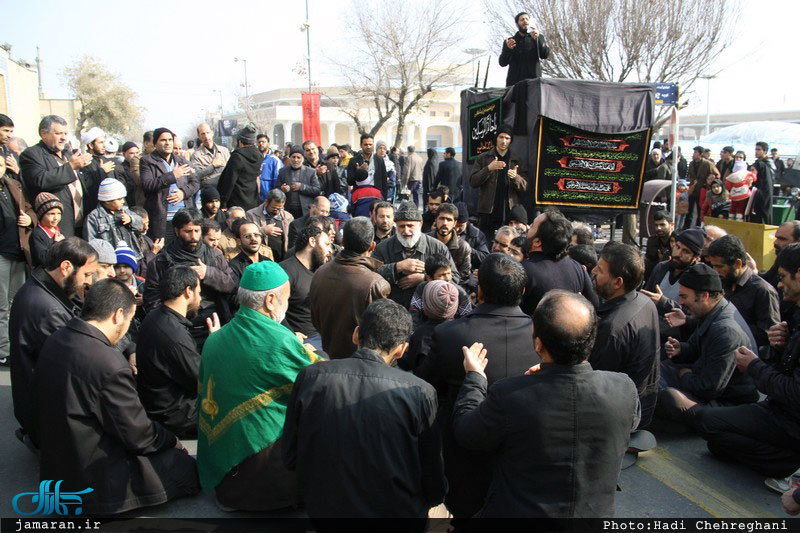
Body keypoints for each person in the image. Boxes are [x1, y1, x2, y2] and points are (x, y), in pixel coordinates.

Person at [452, 290, 639, 517]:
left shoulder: (510, 395)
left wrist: (475, 378)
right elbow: (631, 422)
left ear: (539, 345)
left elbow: (467, 431)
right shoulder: (624, 388)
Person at [34, 278, 200, 514]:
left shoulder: (56, 339)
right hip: (93, 476)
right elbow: (139, 435)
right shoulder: (108, 362)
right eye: (129, 320)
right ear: (118, 315)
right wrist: (170, 439)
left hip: (58, 464)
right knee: (186, 469)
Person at [283, 299, 445, 523]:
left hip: (324, 510)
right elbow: (433, 479)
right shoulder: (420, 392)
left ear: (356, 334)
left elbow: (291, 456)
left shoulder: (311, 376)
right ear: (401, 350)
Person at [417, 253, 539, 520]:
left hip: (463, 457)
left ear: (479, 291)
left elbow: (425, 387)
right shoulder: (541, 335)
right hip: (522, 461)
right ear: (522, 291)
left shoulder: (450, 334)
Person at [197, 261, 322, 511]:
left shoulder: (214, 339)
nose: (287, 305)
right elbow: (319, 379)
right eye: (287, 298)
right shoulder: (279, 340)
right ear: (271, 300)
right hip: (264, 476)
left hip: (223, 475)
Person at [698, 243, 800, 492]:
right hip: (777, 409)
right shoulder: (794, 315)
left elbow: (794, 392)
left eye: (783, 277)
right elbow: (786, 366)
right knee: (716, 441)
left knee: (711, 425)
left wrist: (754, 366)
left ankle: (789, 466)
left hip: (790, 420)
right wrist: (782, 346)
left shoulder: (763, 292)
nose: (780, 284)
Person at [10, 237, 97, 447]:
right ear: (66, 267)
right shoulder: (49, 310)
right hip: (47, 419)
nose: (89, 282)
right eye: (87, 274)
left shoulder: (41, 284)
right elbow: (78, 364)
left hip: (34, 405)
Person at [659, 263, 759, 426]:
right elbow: (696, 348)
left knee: (669, 397)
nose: (680, 302)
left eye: (684, 297)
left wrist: (685, 375)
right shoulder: (711, 312)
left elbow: (709, 388)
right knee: (653, 370)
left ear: (705, 295)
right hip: (700, 379)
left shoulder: (726, 331)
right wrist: (681, 349)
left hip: (726, 402)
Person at [590, 242, 660, 429]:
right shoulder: (645, 302)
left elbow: (596, 385)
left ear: (617, 282)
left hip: (625, 416)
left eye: (600, 270)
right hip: (643, 404)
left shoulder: (612, 329)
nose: (593, 271)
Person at [143, 208, 235, 349]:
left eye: (197, 231)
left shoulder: (214, 256)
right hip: (177, 328)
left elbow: (232, 285)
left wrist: (209, 273)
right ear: (176, 231)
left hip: (212, 322)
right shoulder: (161, 261)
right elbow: (152, 300)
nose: (193, 236)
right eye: (188, 231)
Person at [136, 266, 211, 438]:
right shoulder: (174, 335)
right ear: (188, 292)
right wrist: (215, 343)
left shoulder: (155, 316)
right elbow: (203, 380)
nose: (200, 298)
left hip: (161, 408)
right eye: (199, 292)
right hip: (178, 417)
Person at [310, 217, 390, 359]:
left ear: (342, 242)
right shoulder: (375, 284)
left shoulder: (320, 272)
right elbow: (380, 334)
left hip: (328, 353)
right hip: (360, 362)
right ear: (372, 246)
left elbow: (315, 319)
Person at [373, 201, 458, 309]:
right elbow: (371, 276)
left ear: (420, 224)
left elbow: (454, 279)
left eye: (410, 226)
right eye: (401, 226)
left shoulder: (438, 247)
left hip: (427, 311)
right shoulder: (383, 247)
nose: (406, 231)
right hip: (392, 309)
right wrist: (397, 267)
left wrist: (425, 279)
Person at [19, 115, 93, 237]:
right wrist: (70, 167)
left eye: (65, 133)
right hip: (59, 225)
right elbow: (40, 180)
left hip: (81, 223)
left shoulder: (68, 154)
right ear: (43, 134)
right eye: (58, 133)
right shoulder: (32, 154)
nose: (64, 138)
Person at [706, 235, 780, 350]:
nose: (715, 271)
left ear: (738, 264)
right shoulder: (723, 282)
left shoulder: (763, 291)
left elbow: (768, 334)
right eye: (713, 266)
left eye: (719, 266)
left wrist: (731, 327)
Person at [520, 210, 598, 315]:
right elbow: (594, 307)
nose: (529, 227)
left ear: (537, 242)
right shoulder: (577, 269)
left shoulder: (523, 271)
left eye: (532, 225)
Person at [139, 127, 199, 241]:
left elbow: (195, 183)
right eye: (163, 140)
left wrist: (183, 193)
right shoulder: (147, 161)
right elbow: (147, 185)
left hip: (185, 219)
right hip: (162, 219)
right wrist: (173, 175)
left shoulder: (181, 161)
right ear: (155, 143)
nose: (167, 143)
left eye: (170, 140)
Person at [469, 127, 527, 237]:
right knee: (486, 240)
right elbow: (473, 182)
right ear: (496, 138)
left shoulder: (516, 160)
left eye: (507, 138)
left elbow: (525, 186)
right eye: (501, 137)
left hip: (509, 211)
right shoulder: (483, 158)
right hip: (488, 211)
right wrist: (488, 169)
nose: (504, 141)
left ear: (511, 140)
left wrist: (516, 177)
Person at [280, 224, 331, 339]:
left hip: (322, 334)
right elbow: (275, 310)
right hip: (301, 339)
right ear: (312, 241)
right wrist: (291, 335)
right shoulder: (286, 271)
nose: (329, 251)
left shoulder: (321, 270)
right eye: (326, 244)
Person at [641, 227, 704, 317]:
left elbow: (693, 313)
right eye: (677, 247)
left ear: (696, 257)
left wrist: (664, 303)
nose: (678, 254)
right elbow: (646, 294)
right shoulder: (661, 267)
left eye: (686, 252)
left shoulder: (697, 278)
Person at [404, 278, 462, 374]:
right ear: (454, 307)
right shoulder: (461, 332)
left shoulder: (419, 335)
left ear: (426, 305)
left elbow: (409, 363)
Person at [84, 178, 144, 262]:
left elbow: (140, 224)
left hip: (131, 257)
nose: (123, 201)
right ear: (107, 201)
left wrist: (130, 219)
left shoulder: (125, 211)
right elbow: (90, 242)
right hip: (110, 260)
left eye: (123, 198)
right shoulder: (93, 217)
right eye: (119, 199)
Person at [498, 11, 550, 87]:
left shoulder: (538, 37)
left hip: (534, 83)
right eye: (522, 20)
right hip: (515, 84)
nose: (525, 21)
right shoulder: (510, 41)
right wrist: (508, 49)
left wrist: (537, 40)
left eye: (527, 19)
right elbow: (502, 63)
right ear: (517, 24)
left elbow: (545, 55)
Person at [217, 125, 262, 212]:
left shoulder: (237, 157)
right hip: (253, 200)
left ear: (240, 142)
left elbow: (229, 181)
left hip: (236, 202)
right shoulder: (259, 156)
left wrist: (223, 202)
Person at [430, 202, 472, 288]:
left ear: (455, 223)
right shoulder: (426, 241)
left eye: (449, 220)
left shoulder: (463, 247)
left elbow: (464, 278)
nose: (445, 223)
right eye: (442, 218)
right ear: (436, 220)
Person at [247, 189, 294, 261]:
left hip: (282, 259)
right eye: (274, 208)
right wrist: (263, 231)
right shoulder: (251, 215)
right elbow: (246, 235)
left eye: (280, 208)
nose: (277, 211)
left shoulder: (288, 217)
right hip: (261, 258)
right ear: (266, 202)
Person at [278, 146, 321, 219]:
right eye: (293, 157)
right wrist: (282, 189)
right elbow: (276, 189)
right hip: (287, 209)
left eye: (298, 157)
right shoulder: (283, 171)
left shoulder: (311, 172)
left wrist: (302, 187)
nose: (296, 160)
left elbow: (317, 190)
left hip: (305, 210)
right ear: (289, 158)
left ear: (303, 159)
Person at [227, 219, 271, 283]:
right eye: (247, 236)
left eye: (256, 235)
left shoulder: (268, 262)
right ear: (238, 241)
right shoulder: (233, 267)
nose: (253, 239)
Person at [347, 134, 389, 200]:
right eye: (365, 144)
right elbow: (349, 181)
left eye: (370, 144)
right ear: (361, 145)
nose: (368, 147)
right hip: (360, 197)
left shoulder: (379, 160)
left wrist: (384, 198)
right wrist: (358, 171)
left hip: (376, 196)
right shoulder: (353, 160)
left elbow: (384, 181)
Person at [190, 123, 230, 189]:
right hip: (209, 190)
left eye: (208, 133)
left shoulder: (224, 151)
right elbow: (197, 175)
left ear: (212, 133)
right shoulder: (196, 155)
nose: (206, 136)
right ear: (199, 136)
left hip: (226, 187)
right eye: (203, 134)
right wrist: (213, 166)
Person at [764, 220, 800, 289]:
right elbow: (767, 280)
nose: (775, 242)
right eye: (776, 238)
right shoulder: (783, 257)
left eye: (782, 239)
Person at [455, 202, 489, 270]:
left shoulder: (477, 235)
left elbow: (485, 258)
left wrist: (467, 249)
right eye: (455, 225)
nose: (457, 229)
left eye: (460, 226)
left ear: (466, 222)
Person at [645, 210, 674, 280]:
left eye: (662, 225)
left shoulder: (677, 242)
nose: (658, 228)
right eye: (656, 225)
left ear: (672, 225)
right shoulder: (652, 241)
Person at [751, 141, 776, 224]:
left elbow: (769, 179)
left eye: (759, 149)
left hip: (764, 193)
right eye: (756, 149)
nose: (756, 151)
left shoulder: (768, 163)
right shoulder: (757, 163)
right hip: (757, 192)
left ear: (765, 151)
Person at [119, 141, 143, 207]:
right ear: (124, 154)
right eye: (131, 153)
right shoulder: (120, 169)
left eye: (137, 153)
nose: (135, 156)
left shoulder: (143, 166)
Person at [258, 133, 281, 201]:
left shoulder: (275, 160)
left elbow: (277, 179)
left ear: (268, 143)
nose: (261, 144)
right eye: (259, 142)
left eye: (263, 142)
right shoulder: (253, 158)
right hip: (254, 196)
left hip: (268, 196)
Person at [0, 113, 20, 180]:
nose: (9, 135)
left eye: (11, 131)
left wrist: (18, 171)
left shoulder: (11, 154)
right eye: (6, 131)